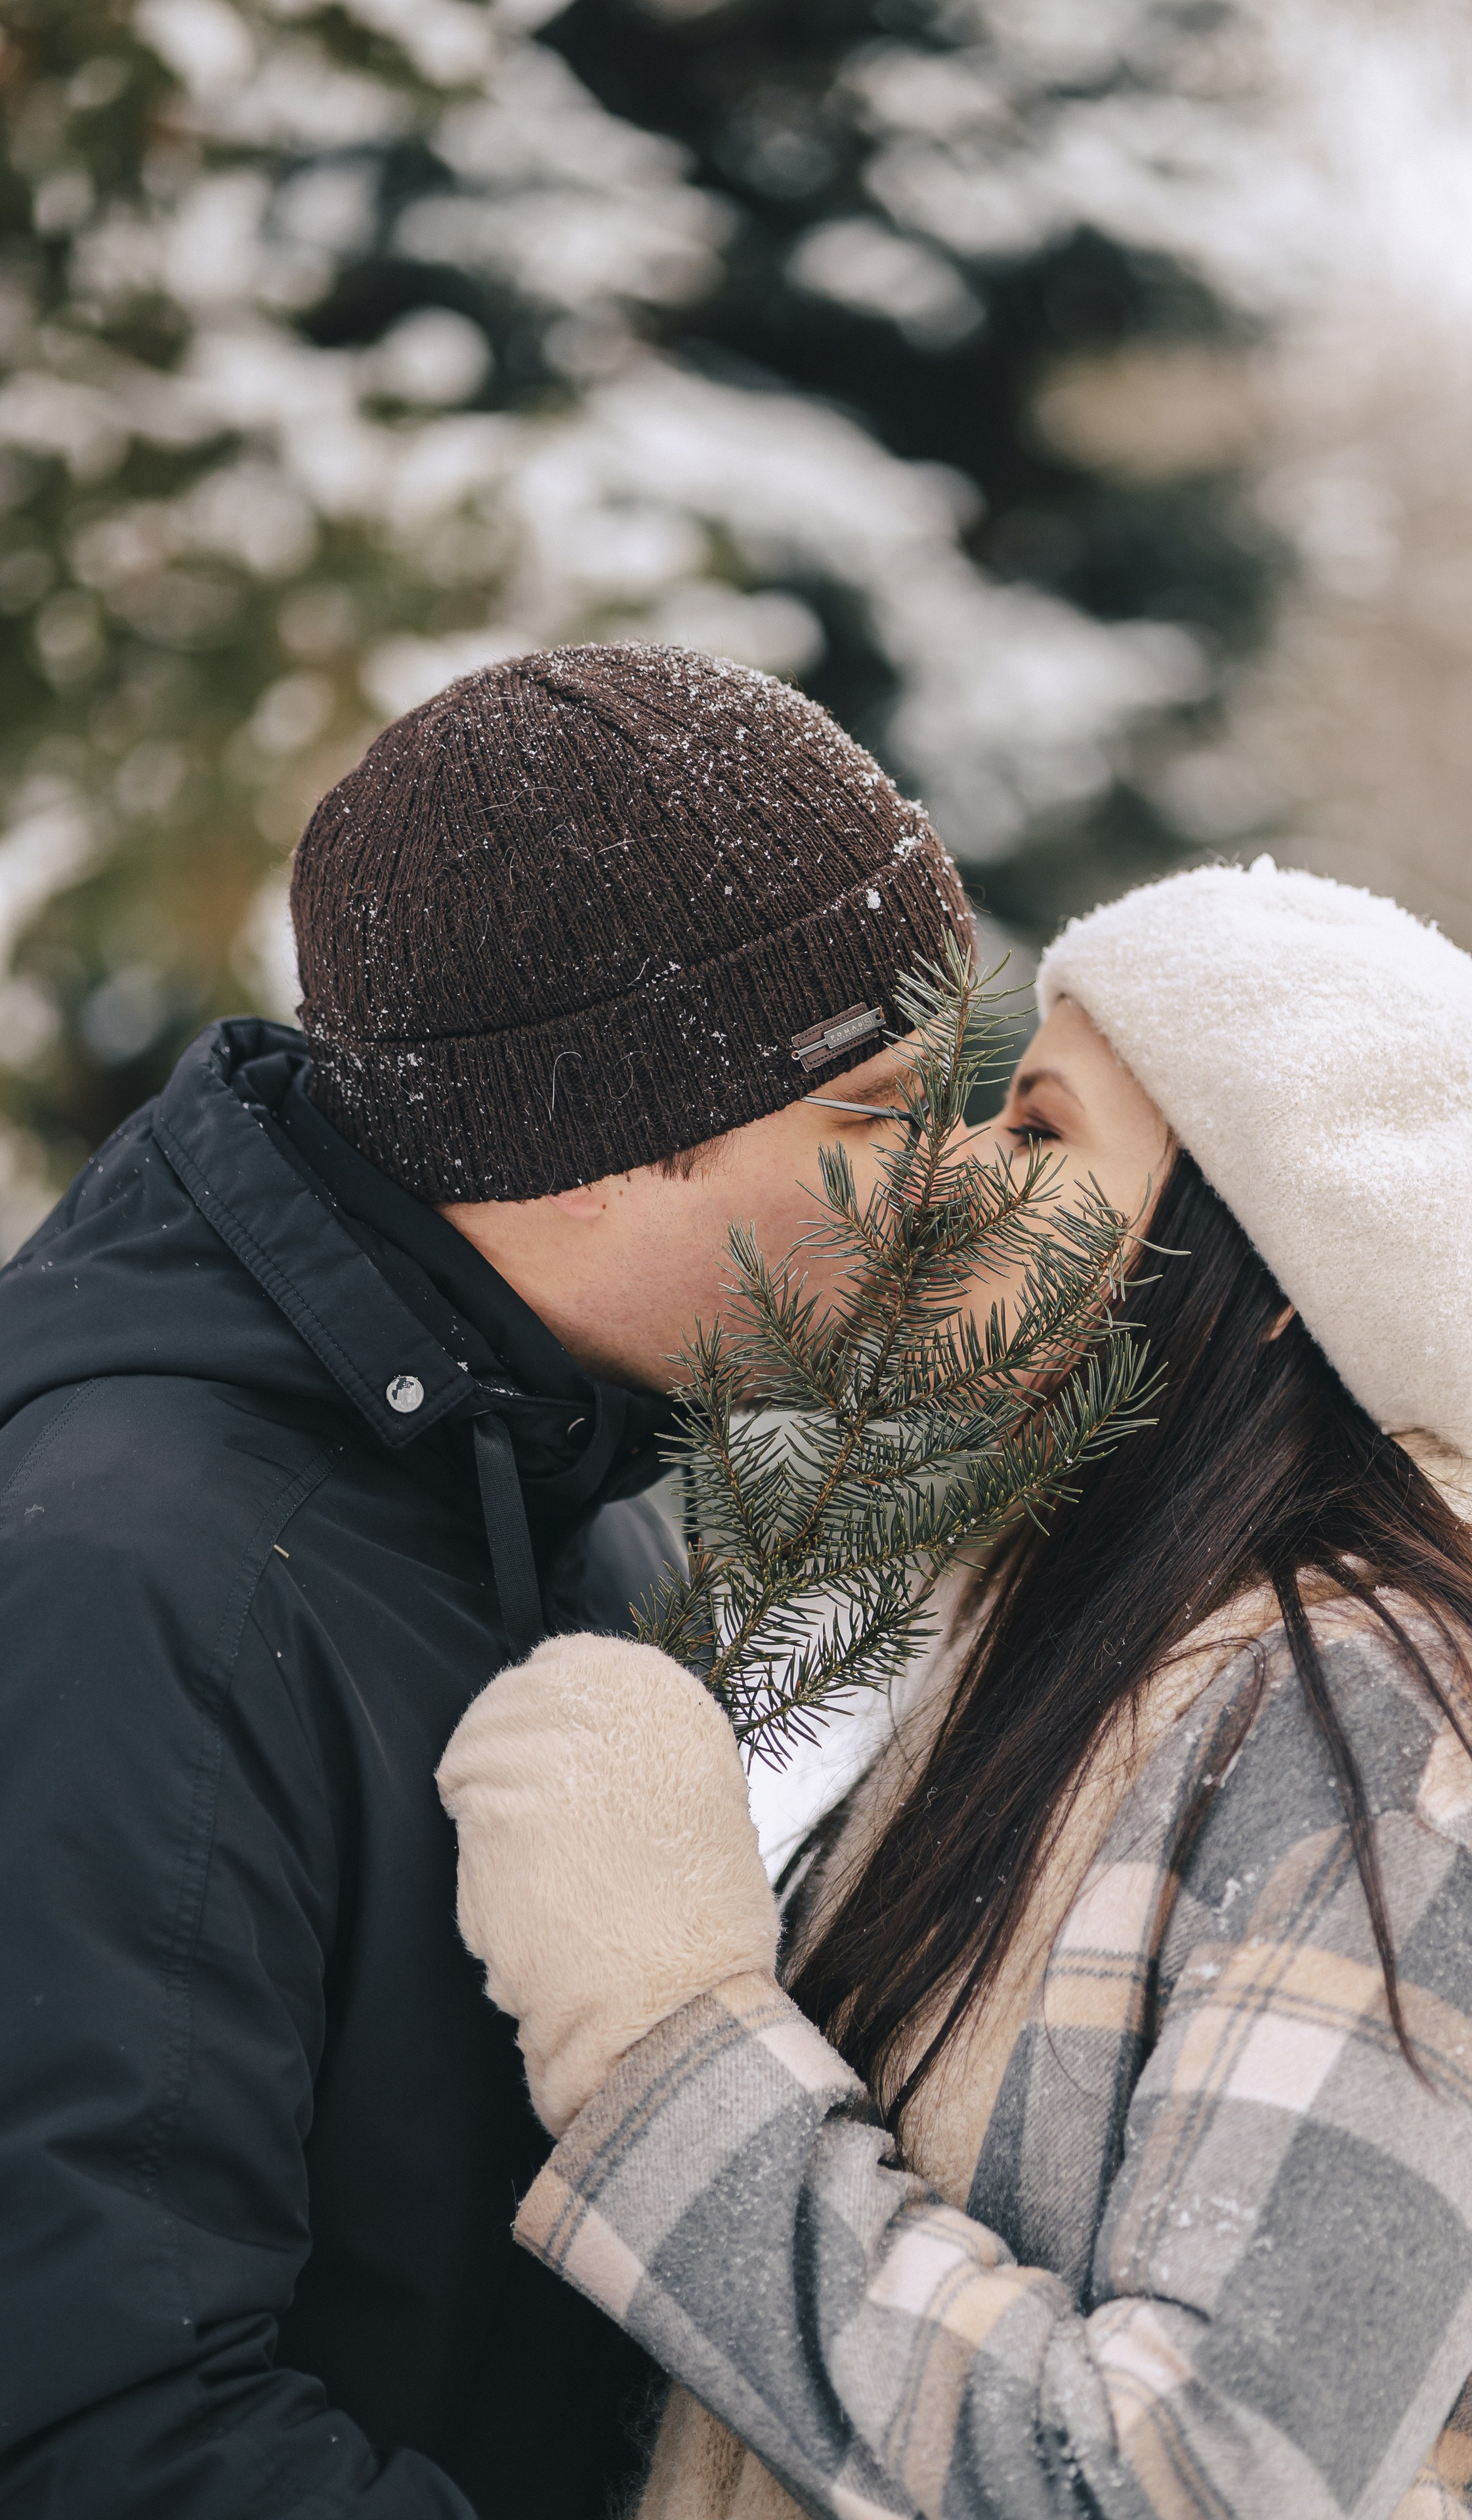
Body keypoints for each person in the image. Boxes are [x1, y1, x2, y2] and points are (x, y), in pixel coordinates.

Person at [442, 859, 1472, 2520]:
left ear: (1266, 1284)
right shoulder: (1091, 1669)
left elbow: (1182, 2487)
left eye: (1034, 1130)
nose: (942, 1169)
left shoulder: (1389, 1761)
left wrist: (657, 2035)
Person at [0, 644, 971, 2518]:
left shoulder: (550, 1465)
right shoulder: (142, 1581)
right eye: (871, 1112)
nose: (939, 1180)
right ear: (588, 1141)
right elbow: (98, 2427)